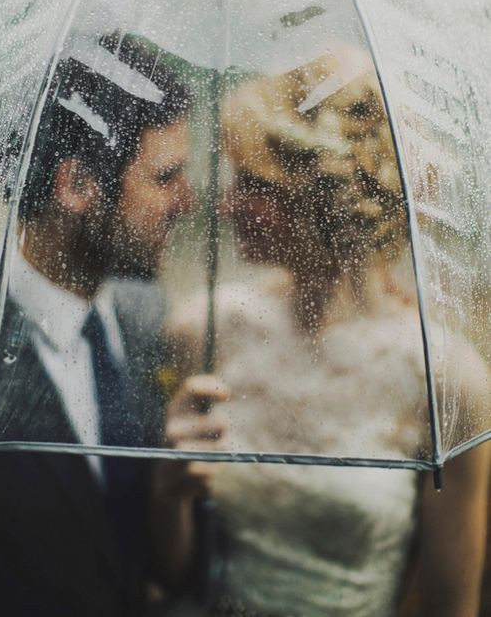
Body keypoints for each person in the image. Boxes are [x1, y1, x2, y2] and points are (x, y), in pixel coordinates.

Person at [169, 50, 489, 617]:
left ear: (316, 198)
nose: (225, 205)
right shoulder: (207, 328)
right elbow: (166, 573)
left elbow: (451, 602)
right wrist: (169, 491)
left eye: (250, 183)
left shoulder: (447, 376)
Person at [0, 32, 228, 616]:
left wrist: (171, 495)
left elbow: (170, 571)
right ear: (76, 185)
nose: (188, 201)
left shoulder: (148, 318)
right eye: (164, 178)